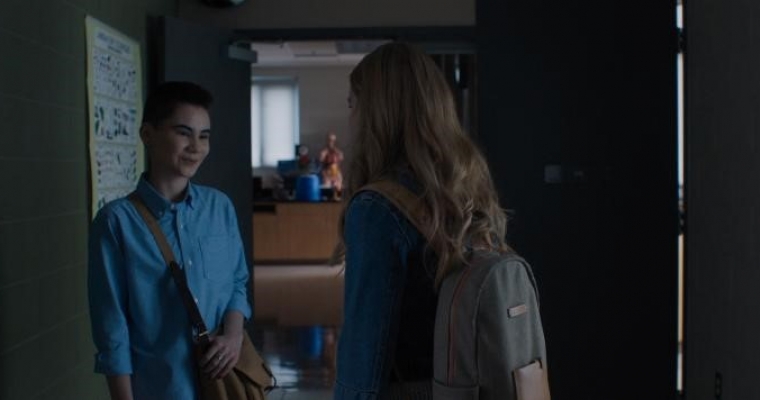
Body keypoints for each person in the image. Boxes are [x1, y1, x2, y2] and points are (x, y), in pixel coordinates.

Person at [333, 42, 509, 399]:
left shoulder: (376, 207)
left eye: (353, 105)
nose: (350, 119)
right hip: (466, 388)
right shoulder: (464, 189)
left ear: (375, 113)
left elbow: (364, 355)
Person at [88, 81, 251, 400]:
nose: (196, 147)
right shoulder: (115, 222)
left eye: (204, 136)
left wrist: (234, 336)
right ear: (147, 135)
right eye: (183, 133)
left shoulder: (219, 207)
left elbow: (237, 283)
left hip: (223, 388)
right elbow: (112, 329)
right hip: (160, 389)